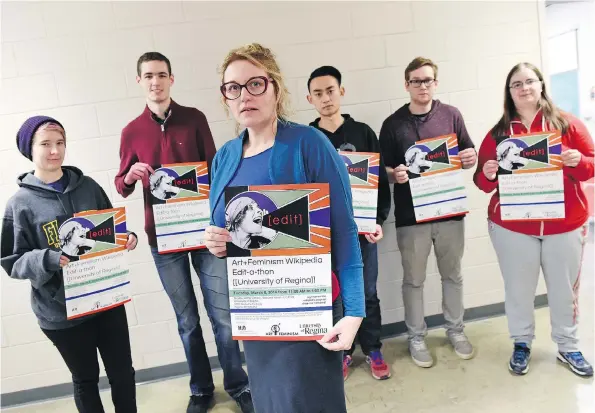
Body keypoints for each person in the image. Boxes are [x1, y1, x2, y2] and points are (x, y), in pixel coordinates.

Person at [204, 43, 365, 413]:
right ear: (226, 98)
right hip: (259, 309)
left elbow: (343, 229)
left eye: (255, 84)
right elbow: (224, 230)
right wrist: (215, 239)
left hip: (309, 306)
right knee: (272, 402)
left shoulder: (308, 144)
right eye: (233, 88)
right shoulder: (225, 156)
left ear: (276, 87)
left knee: (309, 402)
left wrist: (354, 310)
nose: (244, 95)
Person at [114, 52, 252, 413]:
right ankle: (201, 389)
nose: (155, 82)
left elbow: (216, 170)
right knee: (187, 321)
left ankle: (238, 384)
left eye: (161, 75)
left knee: (222, 315)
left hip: (204, 234)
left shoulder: (194, 119)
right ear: (139, 81)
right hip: (163, 240)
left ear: (172, 79)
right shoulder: (131, 131)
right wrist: (129, 177)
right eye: (148, 76)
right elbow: (121, 184)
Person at [1, 116, 138, 413]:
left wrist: (127, 238)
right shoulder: (19, 204)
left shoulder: (88, 187)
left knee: (123, 375)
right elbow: (11, 261)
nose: (55, 151)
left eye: (60, 143)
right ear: (30, 149)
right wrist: (47, 258)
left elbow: (110, 229)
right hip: (60, 313)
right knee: (86, 380)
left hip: (105, 301)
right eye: (46, 144)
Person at [474, 62, 594, 377]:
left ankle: (568, 346)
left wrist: (579, 160)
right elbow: (483, 181)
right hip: (513, 226)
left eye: (530, 81)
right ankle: (522, 343)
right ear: (509, 91)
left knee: (563, 290)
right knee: (518, 289)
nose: (524, 88)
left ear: (541, 85)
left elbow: (591, 165)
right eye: (517, 84)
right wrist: (487, 174)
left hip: (564, 224)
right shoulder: (499, 133)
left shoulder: (568, 124)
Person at [379, 57, 477, 368]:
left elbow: (468, 155)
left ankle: (456, 331)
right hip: (411, 218)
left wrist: (470, 157)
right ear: (406, 84)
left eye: (428, 80)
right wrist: (395, 175)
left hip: (449, 213)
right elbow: (382, 171)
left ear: (436, 83)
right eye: (416, 80)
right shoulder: (393, 124)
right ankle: (416, 337)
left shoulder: (452, 115)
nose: (423, 85)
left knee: (453, 276)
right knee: (414, 280)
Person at [306, 65, 392, 381]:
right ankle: (342, 352)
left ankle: (373, 348)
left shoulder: (364, 133)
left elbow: (380, 183)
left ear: (341, 91)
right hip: (324, 237)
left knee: (366, 291)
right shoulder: (307, 139)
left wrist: (378, 219)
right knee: (334, 295)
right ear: (309, 98)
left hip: (361, 233)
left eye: (330, 90)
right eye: (318, 93)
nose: (325, 98)